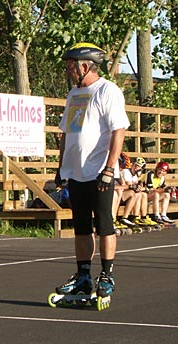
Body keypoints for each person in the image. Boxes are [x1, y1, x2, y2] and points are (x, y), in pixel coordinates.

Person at [55, 42, 130, 299]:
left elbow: (118, 129)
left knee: (105, 225)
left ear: (84, 66)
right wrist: (60, 165)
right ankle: (83, 276)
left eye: (71, 68)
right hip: (75, 172)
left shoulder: (108, 91)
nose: (69, 72)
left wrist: (110, 167)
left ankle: (106, 274)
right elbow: (66, 132)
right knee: (81, 227)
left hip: (100, 170)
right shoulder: (73, 95)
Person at [121, 157, 160, 229]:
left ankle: (143, 217)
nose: (136, 167)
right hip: (123, 194)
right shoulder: (126, 171)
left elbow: (136, 186)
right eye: (135, 165)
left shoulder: (135, 175)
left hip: (130, 193)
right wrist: (140, 187)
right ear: (132, 164)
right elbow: (130, 185)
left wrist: (141, 186)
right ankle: (132, 217)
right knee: (138, 193)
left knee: (144, 194)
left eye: (139, 166)